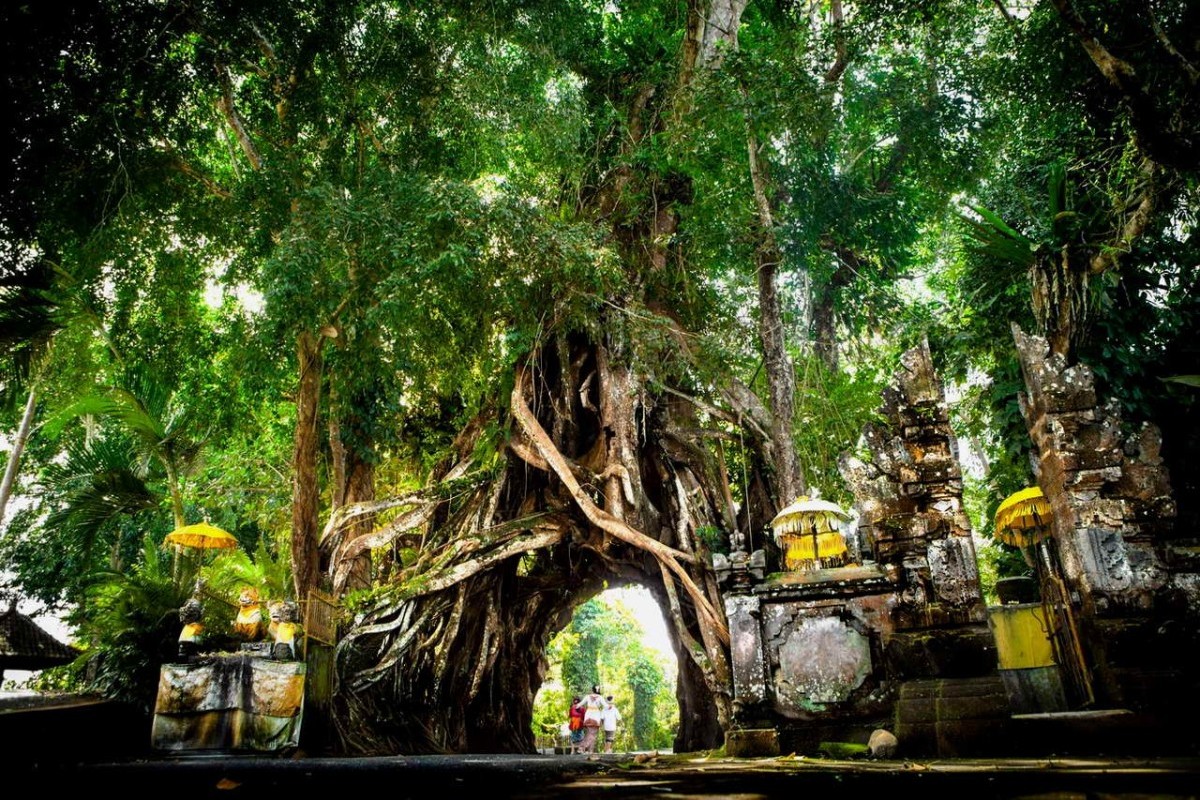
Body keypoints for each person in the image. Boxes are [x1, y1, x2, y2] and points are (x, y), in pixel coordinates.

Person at [576, 685, 605, 754]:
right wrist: (610, 706)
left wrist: (575, 707)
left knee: (589, 734)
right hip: (596, 717)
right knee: (593, 734)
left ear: (592, 690)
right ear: (598, 690)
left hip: (588, 716)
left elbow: (579, 704)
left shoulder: (587, 696)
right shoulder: (600, 697)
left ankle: (590, 751)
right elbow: (606, 705)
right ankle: (582, 748)